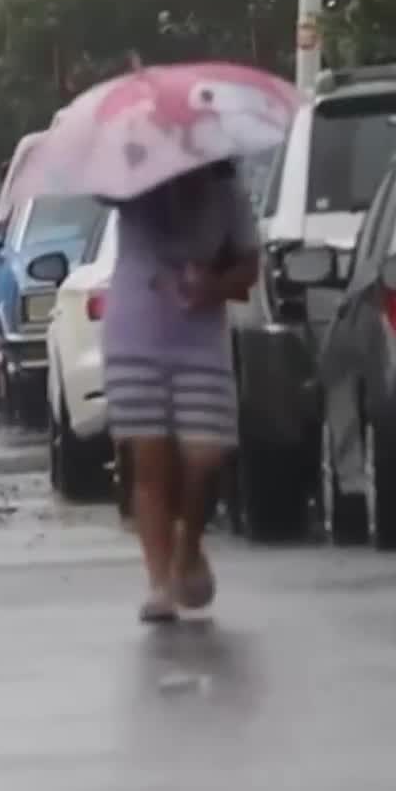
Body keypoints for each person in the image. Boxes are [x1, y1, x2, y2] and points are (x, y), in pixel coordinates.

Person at [100, 159, 261, 623]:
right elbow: (103, 190)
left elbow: (249, 265)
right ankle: (159, 582)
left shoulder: (228, 193)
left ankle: (189, 543)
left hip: (199, 340)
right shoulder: (130, 185)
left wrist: (215, 286)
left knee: (205, 454)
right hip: (134, 334)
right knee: (149, 459)